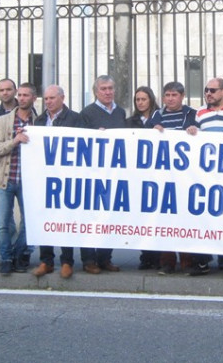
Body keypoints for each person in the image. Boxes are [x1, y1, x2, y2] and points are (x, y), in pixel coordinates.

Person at [185, 77, 223, 276]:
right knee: (203, 216)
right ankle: (202, 261)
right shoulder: (200, 113)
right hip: (207, 175)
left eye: (212, 90)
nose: (208, 94)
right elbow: (194, 141)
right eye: (206, 90)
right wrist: (192, 131)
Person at [32, 84, 83, 279]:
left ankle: (67, 261)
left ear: (62, 98)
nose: (48, 102)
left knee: (65, 219)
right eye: (46, 99)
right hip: (44, 176)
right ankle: (46, 260)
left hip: (66, 176)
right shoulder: (39, 120)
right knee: (45, 218)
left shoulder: (75, 119)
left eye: (52, 98)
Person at [147, 81, 198, 274]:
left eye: (174, 95)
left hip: (186, 176)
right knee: (165, 219)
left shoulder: (191, 114)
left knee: (185, 219)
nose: (170, 99)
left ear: (182, 96)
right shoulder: (157, 115)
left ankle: (187, 261)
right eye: (167, 95)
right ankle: (167, 262)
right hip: (163, 176)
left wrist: (194, 132)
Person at [78, 75, 126, 273]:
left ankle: (105, 257)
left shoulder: (120, 112)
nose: (108, 92)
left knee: (110, 216)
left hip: (114, 173)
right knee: (90, 217)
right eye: (103, 89)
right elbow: (80, 141)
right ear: (96, 91)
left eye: (110, 88)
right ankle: (89, 260)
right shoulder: (87, 113)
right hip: (93, 173)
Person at [0, 83, 37, 276]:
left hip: (29, 181)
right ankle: (7, 258)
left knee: (30, 222)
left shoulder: (39, 122)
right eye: (21, 95)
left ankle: (19, 254)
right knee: (2, 222)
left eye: (27, 95)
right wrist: (15, 141)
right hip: (5, 178)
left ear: (34, 98)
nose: (23, 98)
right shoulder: (3, 120)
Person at [128, 85, 161, 270]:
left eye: (143, 99)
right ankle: (145, 256)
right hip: (139, 173)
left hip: (158, 173)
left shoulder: (160, 117)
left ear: (150, 100)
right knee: (142, 216)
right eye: (137, 100)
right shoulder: (130, 121)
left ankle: (157, 256)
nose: (140, 103)